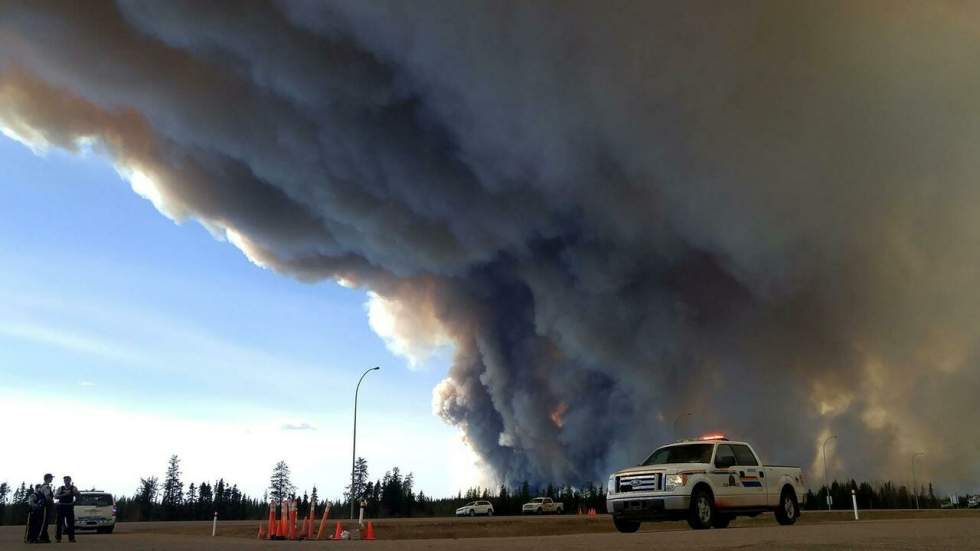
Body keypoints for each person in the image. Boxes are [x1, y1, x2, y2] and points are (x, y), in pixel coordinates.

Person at [55, 476, 80, 543]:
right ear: (64, 481)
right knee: (59, 523)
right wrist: (64, 494)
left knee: (71, 523)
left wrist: (75, 501)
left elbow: (78, 495)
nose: (66, 481)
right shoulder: (60, 488)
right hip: (61, 506)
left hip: (69, 506)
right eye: (65, 480)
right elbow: (56, 496)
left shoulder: (73, 488)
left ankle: (71, 538)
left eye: (67, 480)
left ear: (70, 480)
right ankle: (58, 538)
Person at [38, 474, 54, 543]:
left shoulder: (41, 486)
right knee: (44, 522)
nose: (52, 479)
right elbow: (47, 497)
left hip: (42, 506)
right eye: (51, 478)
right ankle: (41, 537)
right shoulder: (46, 487)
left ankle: (45, 537)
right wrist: (52, 502)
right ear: (48, 478)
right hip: (45, 506)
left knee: (44, 521)